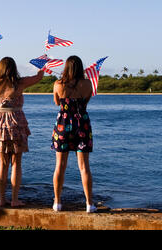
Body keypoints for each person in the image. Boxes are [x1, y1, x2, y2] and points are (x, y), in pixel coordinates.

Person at [0, 53, 44, 207]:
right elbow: (39, 77)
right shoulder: (19, 83)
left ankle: (2, 200)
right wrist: (42, 63)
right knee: (16, 162)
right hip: (16, 123)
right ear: (14, 69)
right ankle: (15, 199)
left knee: (3, 163)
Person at [51, 55, 97, 213]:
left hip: (63, 125)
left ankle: (57, 203)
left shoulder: (58, 84)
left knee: (60, 166)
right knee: (84, 167)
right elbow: (85, 102)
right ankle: (89, 204)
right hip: (82, 125)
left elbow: (57, 103)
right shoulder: (88, 84)